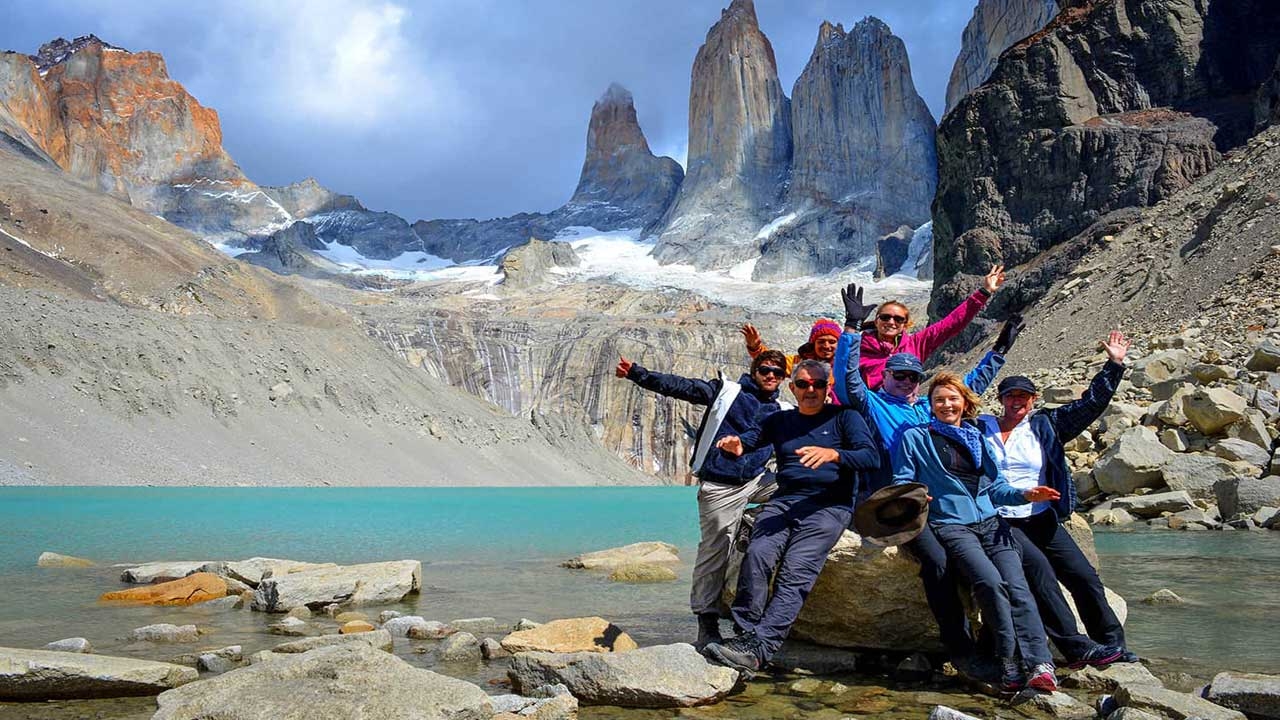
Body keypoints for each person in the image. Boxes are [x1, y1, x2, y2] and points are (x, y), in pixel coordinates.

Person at [833, 305, 1017, 672]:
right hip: (897, 505)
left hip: (942, 507)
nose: (905, 381)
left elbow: (967, 391)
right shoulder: (873, 404)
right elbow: (847, 379)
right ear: (885, 375)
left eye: (912, 377)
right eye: (899, 375)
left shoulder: (924, 411)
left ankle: (999, 642)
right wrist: (852, 329)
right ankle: (958, 645)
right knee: (937, 560)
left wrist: (998, 353)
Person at [701, 359, 879, 676]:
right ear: (792, 387)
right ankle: (744, 636)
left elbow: (870, 456)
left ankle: (760, 648)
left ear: (829, 388)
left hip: (830, 505)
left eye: (818, 384)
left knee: (795, 570)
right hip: (784, 501)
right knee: (756, 555)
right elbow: (752, 437)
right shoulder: (780, 421)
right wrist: (737, 445)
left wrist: (835, 454)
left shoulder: (845, 418)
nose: (811, 390)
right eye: (803, 384)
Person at [892, 372, 1061, 692]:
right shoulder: (916, 438)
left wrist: (1026, 494)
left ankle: (1040, 662)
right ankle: (1008, 658)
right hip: (952, 526)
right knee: (990, 582)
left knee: (1017, 586)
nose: (946, 404)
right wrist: (915, 495)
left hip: (992, 523)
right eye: (939, 399)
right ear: (931, 405)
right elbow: (903, 480)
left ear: (965, 403)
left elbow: (997, 489)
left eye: (953, 398)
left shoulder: (979, 438)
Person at [979, 331, 1138, 667]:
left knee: (1083, 576)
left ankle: (1112, 644)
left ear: (1034, 399)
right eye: (1010, 396)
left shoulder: (1046, 425)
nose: (1017, 402)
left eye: (1023, 396)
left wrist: (1114, 365)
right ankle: (1077, 649)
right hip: (1003, 520)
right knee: (1042, 579)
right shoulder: (981, 427)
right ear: (1001, 398)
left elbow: (1089, 405)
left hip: (1041, 517)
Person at [615, 349, 791, 649]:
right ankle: (706, 621)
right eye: (765, 370)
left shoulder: (784, 410)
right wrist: (637, 374)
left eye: (778, 372)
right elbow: (680, 386)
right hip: (721, 485)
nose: (771, 376)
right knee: (715, 549)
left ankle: (752, 523)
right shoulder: (726, 391)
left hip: (757, 481)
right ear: (754, 371)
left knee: (799, 487)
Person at [840, 264, 1006, 390]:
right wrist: (852, 325)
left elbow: (952, 323)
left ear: (905, 324)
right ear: (876, 321)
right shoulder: (858, 347)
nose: (891, 322)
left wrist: (984, 292)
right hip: (868, 411)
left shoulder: (915, 344)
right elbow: (841, 371)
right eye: (885, 317)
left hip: (904, 409)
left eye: (898, 319)